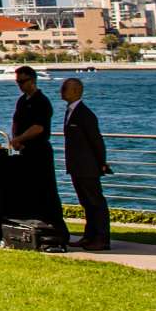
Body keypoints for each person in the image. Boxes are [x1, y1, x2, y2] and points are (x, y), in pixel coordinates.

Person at [8, 65, 69, 239]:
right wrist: (16, 139)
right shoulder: (22, 101)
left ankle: (54, 227)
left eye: (22, 81)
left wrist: (19, 139)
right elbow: (16, 121)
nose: (20, 85)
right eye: (17, 82)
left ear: (33, 80)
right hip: (24, 151)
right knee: (28, 189)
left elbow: (39, 127)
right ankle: (32, 224)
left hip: (39, 151)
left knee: (46, 190)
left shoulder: (41, 101)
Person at [61, 77, 111, 250]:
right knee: (86, 203)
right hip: (77, 166)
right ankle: (89, 235)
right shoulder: (70, 111)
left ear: (76, 91)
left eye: (64, 88)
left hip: (87, 166)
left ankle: (102, 238)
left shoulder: (85, 114)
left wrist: (101, 163)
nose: (61, 91)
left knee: (96, 202)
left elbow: (96, 140)